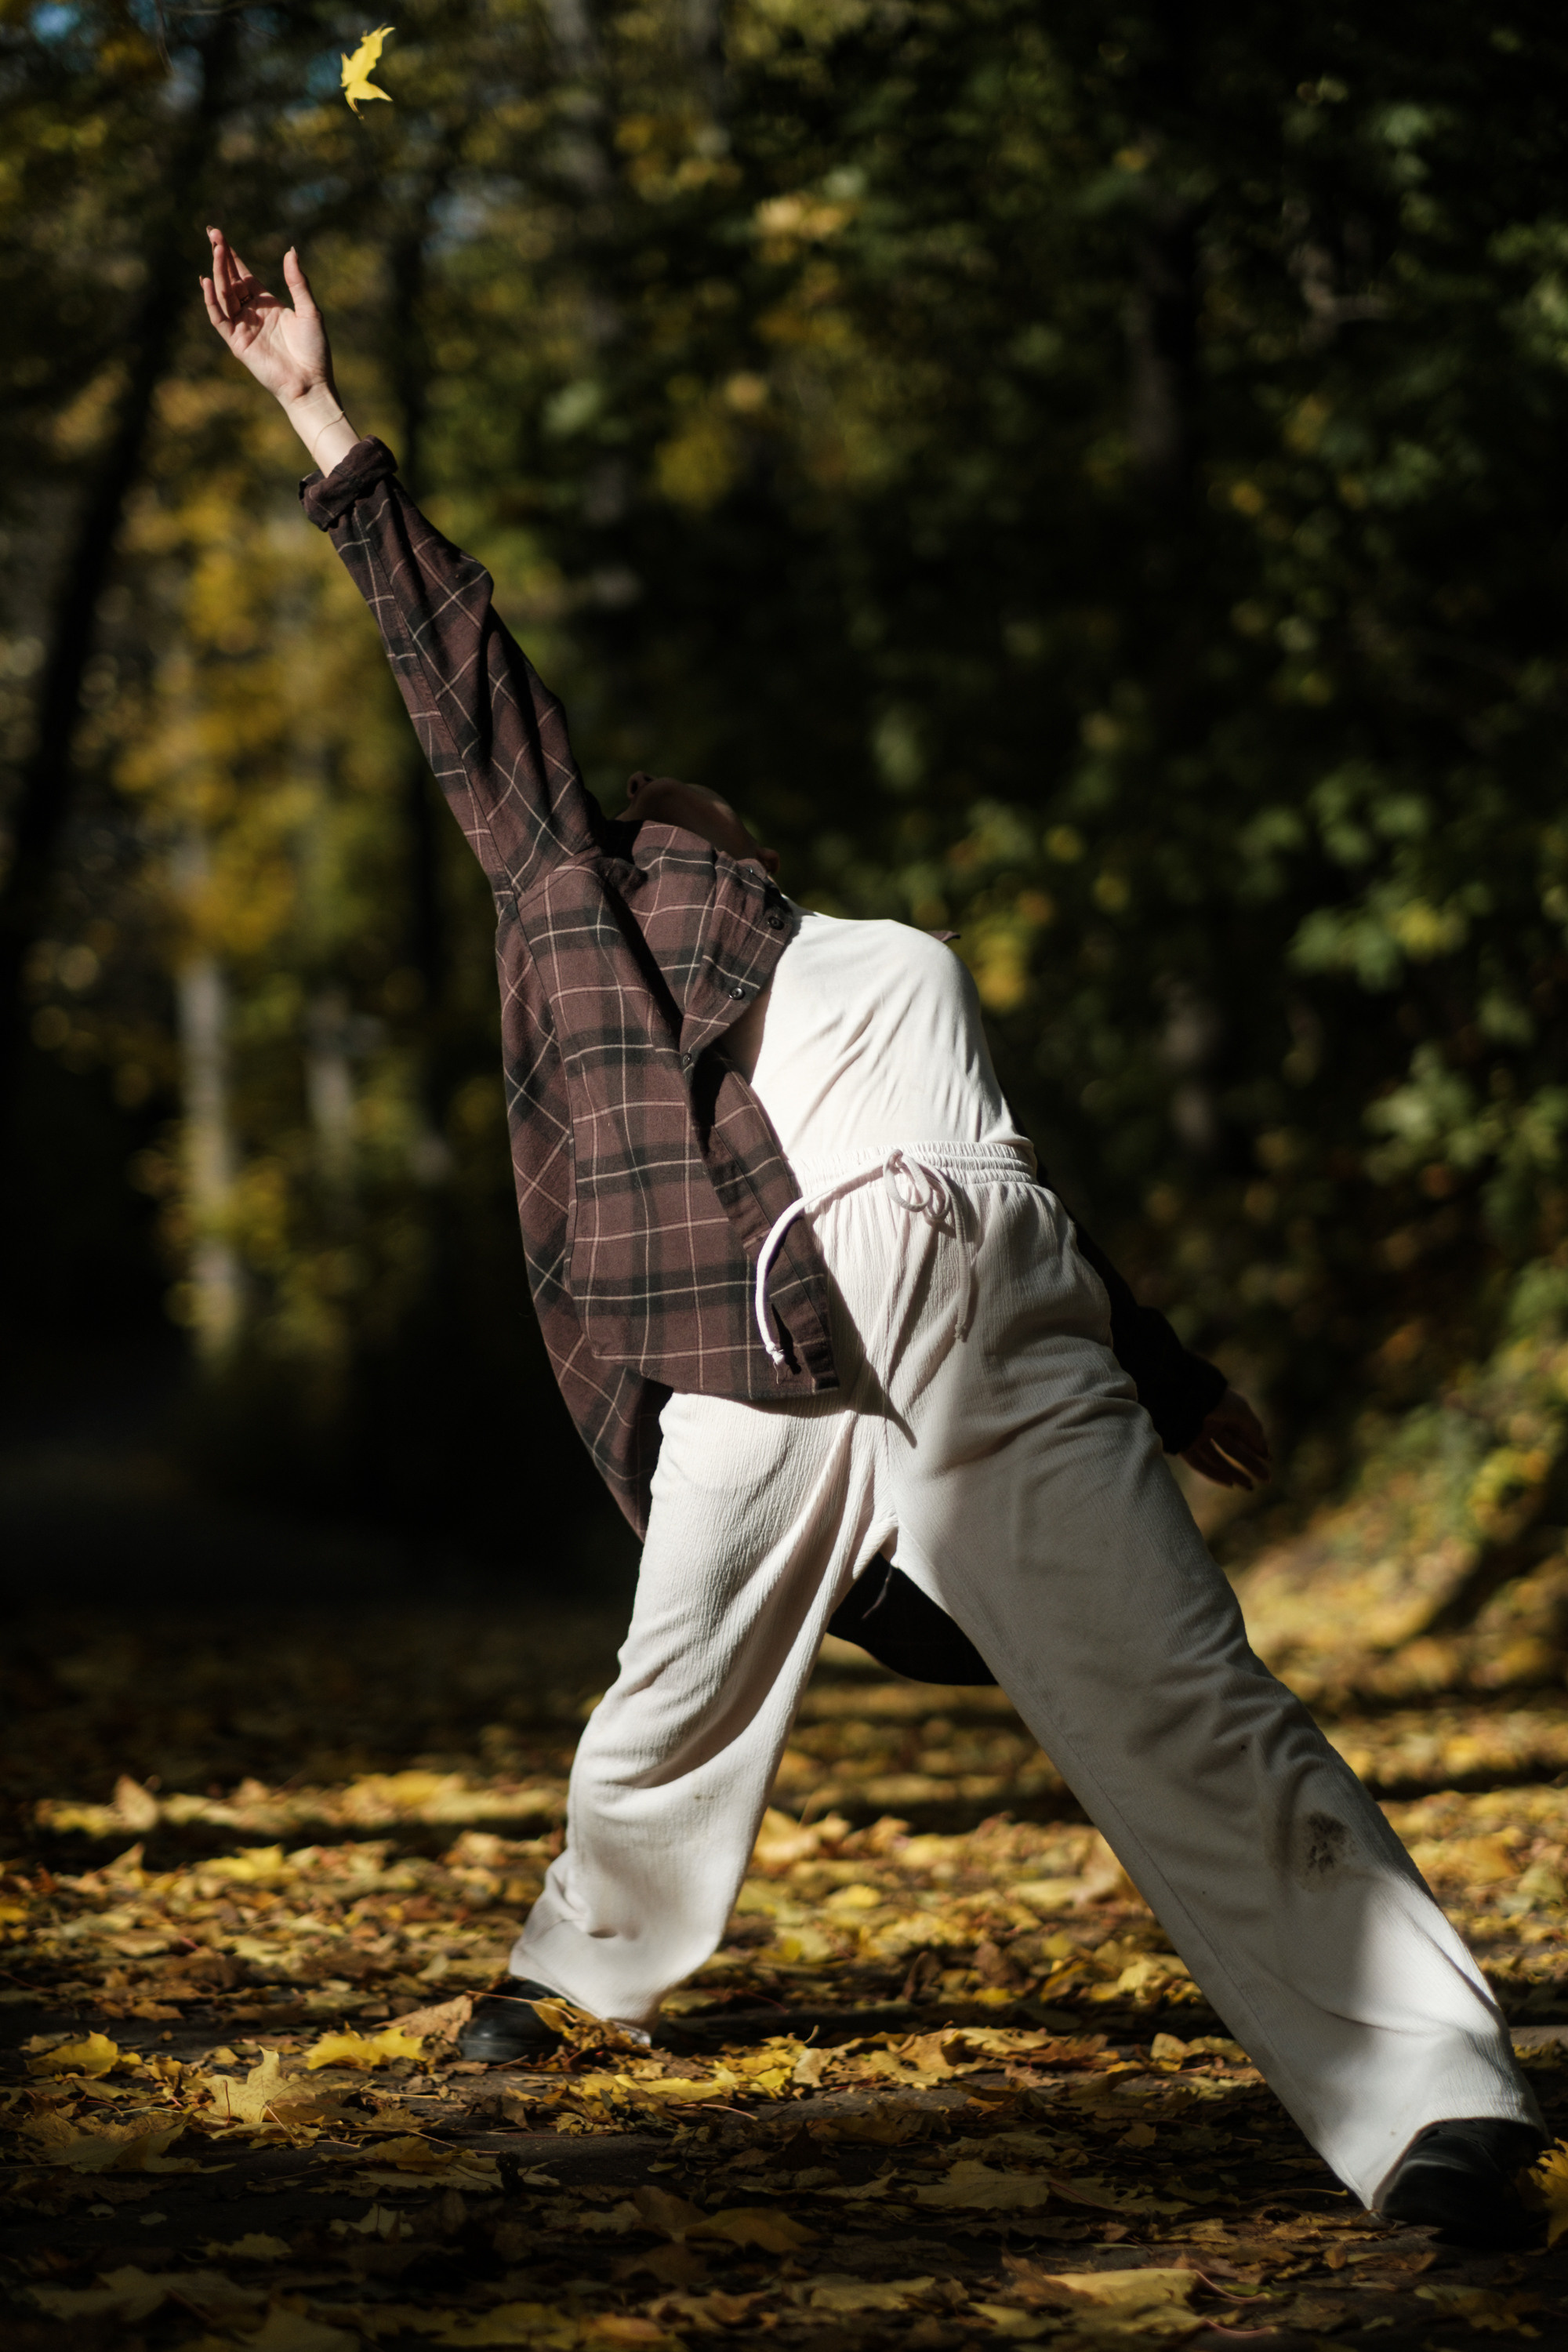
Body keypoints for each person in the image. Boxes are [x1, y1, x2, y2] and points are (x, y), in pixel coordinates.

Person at [202, 227, 1547, 2246]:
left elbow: (1014, 1183)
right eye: (653, 823)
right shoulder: (598, 899)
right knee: (672, 1694)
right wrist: (321, 415)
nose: (689, 835)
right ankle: (575, 1971)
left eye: (702, 827)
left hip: (1006, 1319)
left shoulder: (870, 958)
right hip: (780, 1317)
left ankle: (1436, 2104)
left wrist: (1169, 1373)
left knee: (1190, 1696)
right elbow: (480, 704)